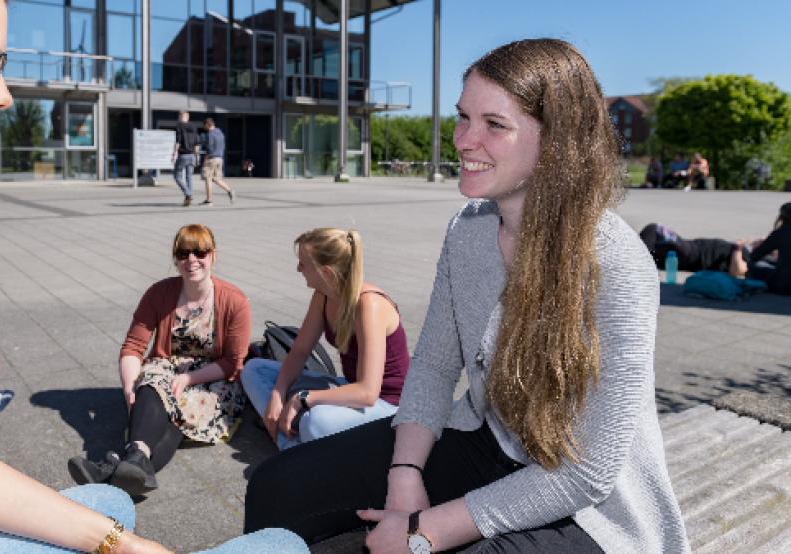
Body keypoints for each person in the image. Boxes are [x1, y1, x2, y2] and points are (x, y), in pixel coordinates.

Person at [0, 2, 304, 553]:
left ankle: (128, 476)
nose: (3, 94)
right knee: (280, 544)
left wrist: (120, 544)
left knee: (111, 510)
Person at [244, 38, 689, 553]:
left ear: (558, 142)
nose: (463, 139)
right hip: (489, 439)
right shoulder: (469, 231)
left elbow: (587, 474)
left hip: (591, 505)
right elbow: (433, 367)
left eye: (494, 125)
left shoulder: (618, 264)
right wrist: (405, 474)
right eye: (462, 117)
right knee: (276, 487)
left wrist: (423, 533)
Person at [69, 224, 252, 497]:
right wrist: (132, 390)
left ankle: (108, 472)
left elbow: (233, 363)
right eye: (183, 253)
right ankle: (136, 460)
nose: (192, 260)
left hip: (212, 377)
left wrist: (189, 378)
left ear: (213, 255)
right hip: (167, 366)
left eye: (200, 252)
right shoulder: (159, 293)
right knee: (151, 380)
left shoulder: (235, 301)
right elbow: (133, 347)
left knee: (180, 411)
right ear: (175, 259)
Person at [240, 228, 410, 450]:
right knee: (253, 369)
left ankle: (290, 445)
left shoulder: (370, 305)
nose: (298, 269)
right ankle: (291, 436)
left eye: (303, 264)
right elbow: (300, 352)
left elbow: (368, 393)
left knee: (316, 421)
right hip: (350, 388)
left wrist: (303, 398)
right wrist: (278, 394)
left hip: (389, 405)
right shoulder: (324, 295)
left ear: (326, 272)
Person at [743, 201, 791, 294]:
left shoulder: (781, 233)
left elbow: (755, 256)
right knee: (771, 260)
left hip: (784, 286)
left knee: (756, 265)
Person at [200, 117, 235, 205]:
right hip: (220, 158)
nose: (204, 128)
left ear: (208, 124)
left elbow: (210, 149)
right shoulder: (221, 133)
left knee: (208, 178)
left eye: (204, 126)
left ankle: (209, 200)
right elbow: (223, 146)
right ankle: (230, 191)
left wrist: (205, 159)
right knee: (216, 179)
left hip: (211, 159)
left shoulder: (210, 134)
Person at [172, 111, 199, 207]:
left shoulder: (179, 126)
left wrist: (174, 154)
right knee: (189, 177)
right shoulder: (193, 126)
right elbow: (196, 143)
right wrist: (196, 157)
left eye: (179, 116)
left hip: (183, 155)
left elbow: (178, 142)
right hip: (192, 155)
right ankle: (188, 198)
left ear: (181, 117)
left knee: (177, 176)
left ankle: (188, 193)